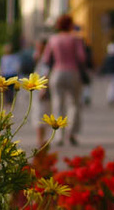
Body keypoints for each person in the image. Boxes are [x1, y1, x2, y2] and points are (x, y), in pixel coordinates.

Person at [37, 15, 88, 147]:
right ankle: (71, 133)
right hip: (73, 72)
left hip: (57, 73)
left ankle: (59, 135)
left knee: (58, 104)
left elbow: (46, 59)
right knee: (74, 104)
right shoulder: (76, 39)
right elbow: (82, 57)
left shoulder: (53, 39)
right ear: (70, 25)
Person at [99, 41, 114, 107]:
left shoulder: (107, 57)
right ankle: (111, 98)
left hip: (108, 74)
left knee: (110, 86)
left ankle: (110, 98)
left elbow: (104, 66)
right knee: (113, 86)